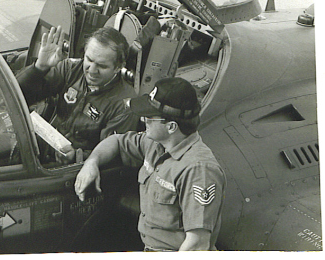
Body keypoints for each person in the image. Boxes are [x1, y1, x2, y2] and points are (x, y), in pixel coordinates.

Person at [74, 77, 226, 251]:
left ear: (171, 127)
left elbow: (197, 244)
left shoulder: (199, 170)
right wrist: (91, 162)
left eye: (150, 117)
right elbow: (117, 141)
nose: (143, 120)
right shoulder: (156, 143)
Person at [16, 25, 139, 163]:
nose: (92, 70)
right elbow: (19, 96)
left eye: (102, 66)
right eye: (89, 60)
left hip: (72, 169)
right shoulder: (70, 69)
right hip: (39, 148)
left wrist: (77, 156)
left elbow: (112, 154)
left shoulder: (124, 105)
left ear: (118, 67)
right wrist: (40, 67)